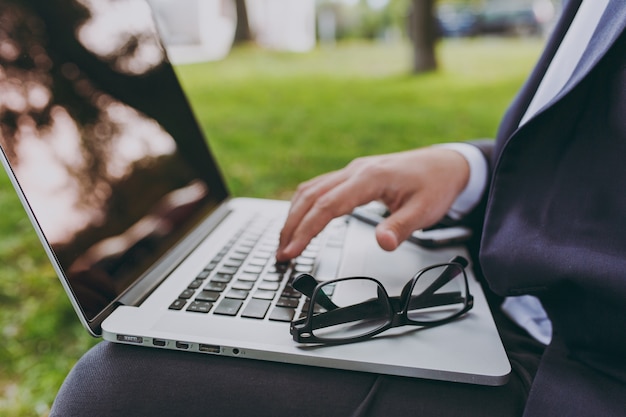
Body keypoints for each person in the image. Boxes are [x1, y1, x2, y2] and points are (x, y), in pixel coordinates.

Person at [50, 0, 626, 416]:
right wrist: (469, 166)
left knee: (113, 390)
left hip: (580, 376)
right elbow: (591, 156)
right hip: (519, 299)